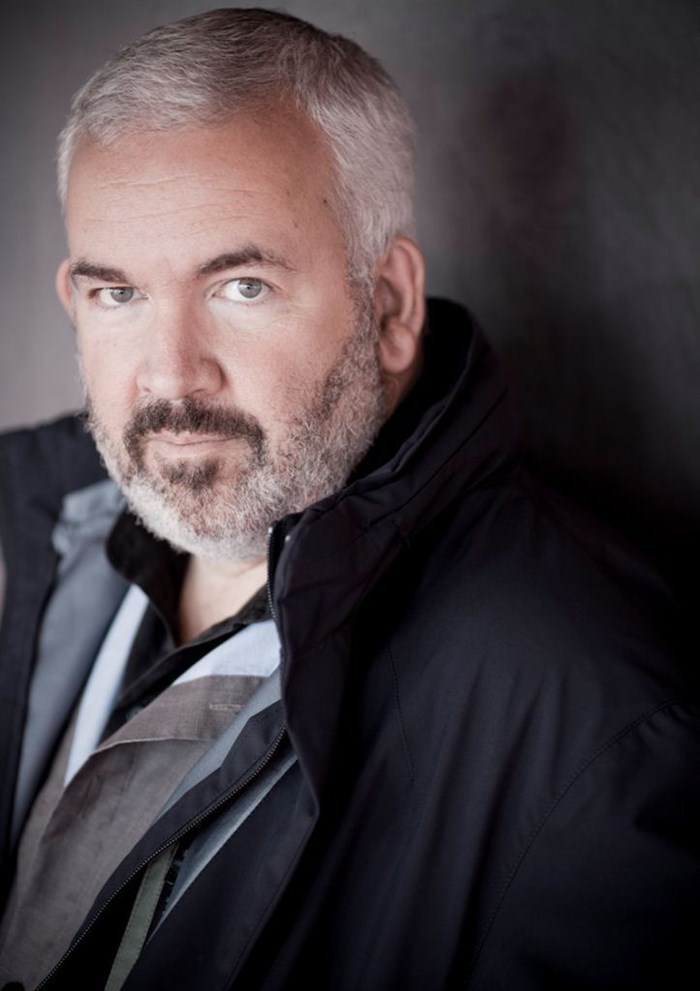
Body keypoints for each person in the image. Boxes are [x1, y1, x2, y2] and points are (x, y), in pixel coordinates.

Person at [0, 8, 697, 990]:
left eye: (241, 286)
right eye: (119, 295)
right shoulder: (26, 534)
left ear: (388, 305)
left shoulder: (599, 733)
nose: (170, 376)